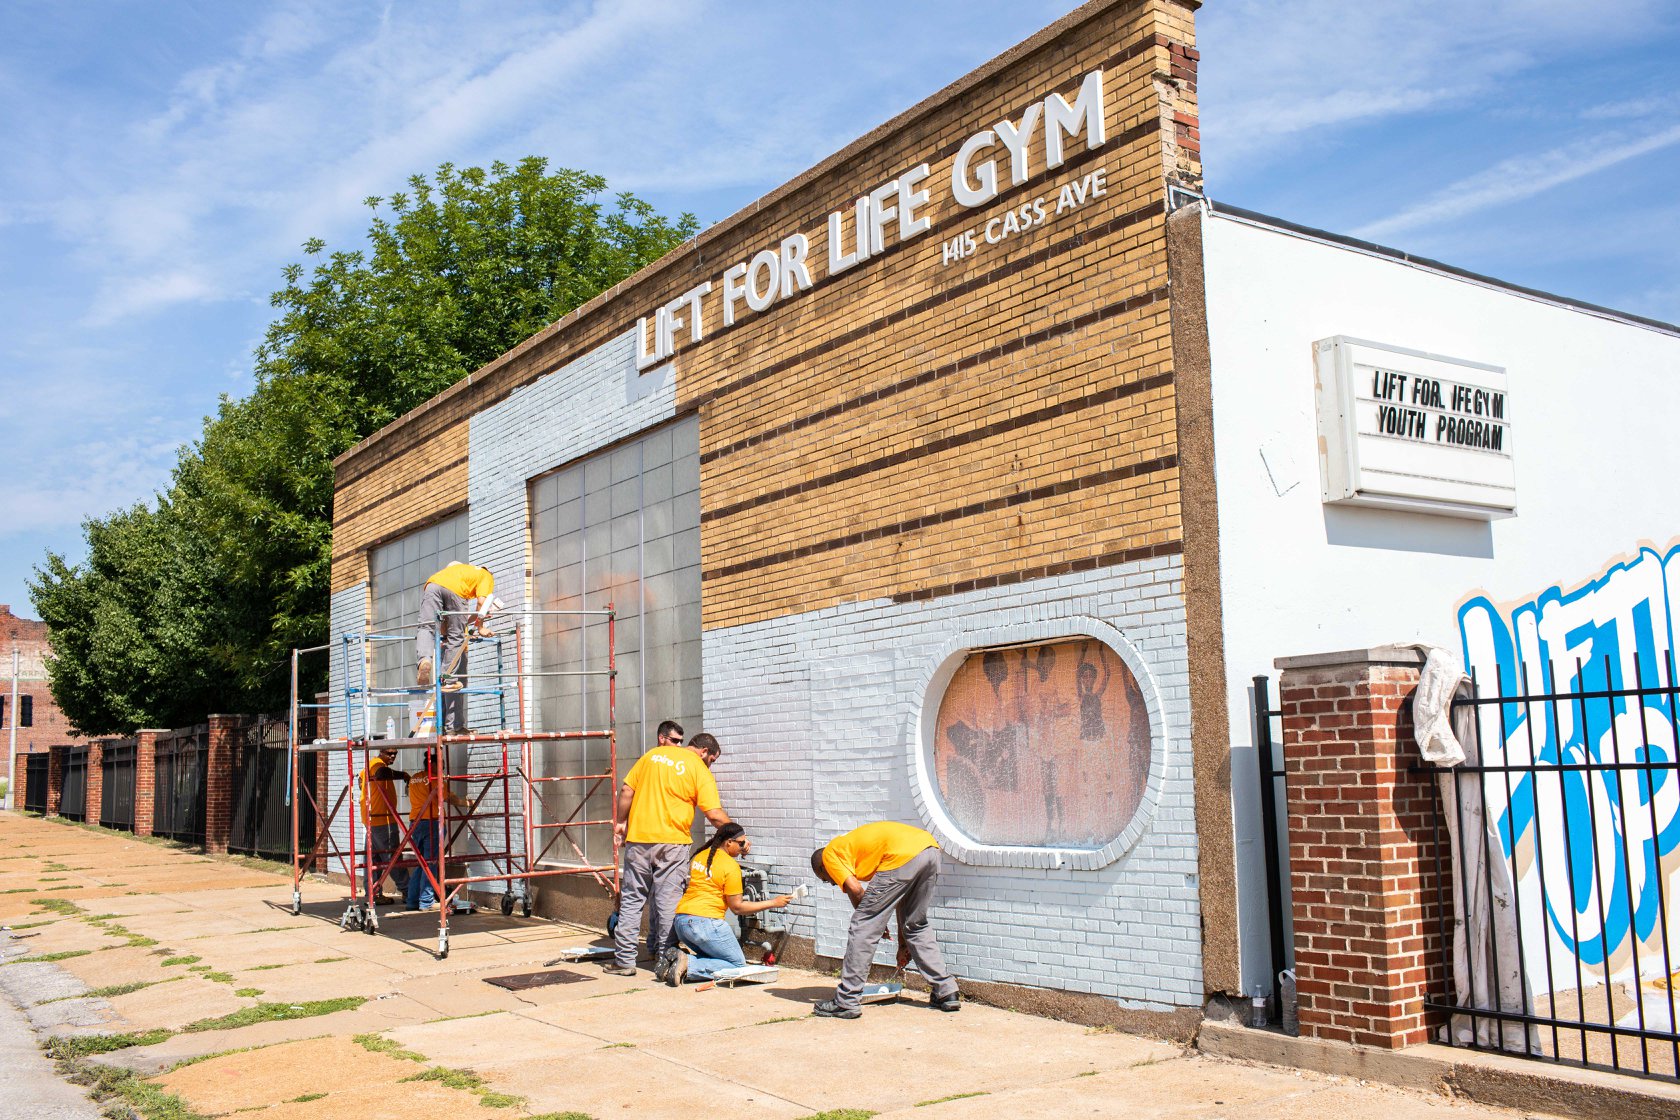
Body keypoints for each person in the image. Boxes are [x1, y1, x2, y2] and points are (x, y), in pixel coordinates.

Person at [605, 721, 729, 978]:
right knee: (667, 903)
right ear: (704, 752)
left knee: (632, 899)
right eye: (712, 760)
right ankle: (665, 960)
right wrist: (736, 833)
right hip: (673, 842)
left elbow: (627, 790)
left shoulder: (651, 756)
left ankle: (625, 961)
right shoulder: (697, 768)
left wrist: (621, 822)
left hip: (639, 839)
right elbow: (714, 815)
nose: (710, 765)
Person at [809, 821, 960, 1018]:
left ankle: (847, 1001)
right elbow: (898, 906)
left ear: (822, 868)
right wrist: (901, 945)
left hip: (900, 857)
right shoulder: (849, 849)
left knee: (861, 927)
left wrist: (873, 922)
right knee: (915, 924)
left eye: (825, 879)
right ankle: (946, 991)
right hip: (929, 850)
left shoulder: (830, 854)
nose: (831, 882)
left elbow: (856, 890)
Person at [668, 823, 790, 986]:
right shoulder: (731, 867)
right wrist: (773, 903)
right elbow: (737, 907)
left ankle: (677, 963)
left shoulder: (701, 856)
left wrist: (741, 848)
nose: (743, 847)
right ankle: (689, 964)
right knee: (737, 965)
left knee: (716, 959)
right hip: (706, 924)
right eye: (741, 843)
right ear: (728, 843)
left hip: (682, 922)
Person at [415, 562, 502, 733]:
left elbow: (449, 623)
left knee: (425, 627)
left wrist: (474, 620)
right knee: (456, 641)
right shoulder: (485, 575)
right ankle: (449, 679)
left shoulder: (452, 573)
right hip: (455, 595)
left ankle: (424, 660)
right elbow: (482, 602)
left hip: (431, 586)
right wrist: (481, 626)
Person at [405, 765, 470, 911]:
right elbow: (451, 799)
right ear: (434, 764)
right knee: (431, 863)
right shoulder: (435, 779)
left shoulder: (415, 778)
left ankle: (412, 901)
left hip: (415, 822)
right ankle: (426, 901)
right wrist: (468, 802)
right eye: (441, 763)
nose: (443, 767)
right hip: (431, 822)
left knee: (421, 864)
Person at [359, 745, 411, 903]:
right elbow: (382, 774)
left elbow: (361, 779)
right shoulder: (377, 765)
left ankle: (373, 894)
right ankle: (408, 891)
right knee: (392, 857)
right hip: (383, 821)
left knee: (373, 859)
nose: (393, 757)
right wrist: (402, 774)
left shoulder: (369, 765)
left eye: (395, 753)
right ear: (381, 752)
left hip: (372, 820)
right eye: (389, 753)